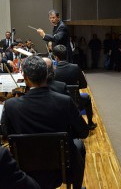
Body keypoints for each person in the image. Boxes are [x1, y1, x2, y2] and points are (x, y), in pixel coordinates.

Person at [1, 55, 90, 189]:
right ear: (47, 74)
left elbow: (6, 134)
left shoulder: (10, 105)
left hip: (25, 170)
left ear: (25, 78)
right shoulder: (64, 101)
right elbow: (83, 132)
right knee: (79, 144)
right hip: (61, 169)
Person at [53, 45, 96, 130]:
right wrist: (74, 88)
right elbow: (84, 85)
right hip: (75, 102)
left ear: (56, 57)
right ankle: (90, 123)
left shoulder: (53, 70)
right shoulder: (75, 67)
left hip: (58, 104)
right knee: (87, 98)